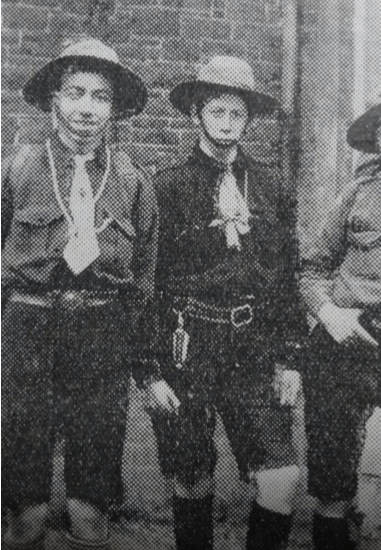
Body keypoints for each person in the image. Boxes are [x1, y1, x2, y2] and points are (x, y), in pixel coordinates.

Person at [1, 38, 176, 550]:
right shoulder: (18, 169)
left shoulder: (133, 181)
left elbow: (143, 279)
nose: (86, 108)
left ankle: (90, 507)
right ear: (54, 98)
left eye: (100, 97)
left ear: (114, 108)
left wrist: (136, 350)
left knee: (93, 474)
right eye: (75, 93)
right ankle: (23, 508)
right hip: (29, 320)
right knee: (24, 448)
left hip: (103, 326)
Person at [148, 55, 303, 550]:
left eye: (238, 113)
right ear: (197, 113)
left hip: (253, 345)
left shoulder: (272, 186)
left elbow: (286, 276)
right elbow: (148, 283)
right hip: (187, 343)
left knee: (282, 479)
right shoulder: (167, 186)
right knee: (192, 476)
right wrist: (150, 371)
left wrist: (290, 359)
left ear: (248, 119)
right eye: (217, 110)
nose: (227, 122)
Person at [300, 70, 381, 550]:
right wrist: (329, 313)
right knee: (332, 471)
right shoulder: (355, 194)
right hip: (346, 339)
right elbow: (311, 268)